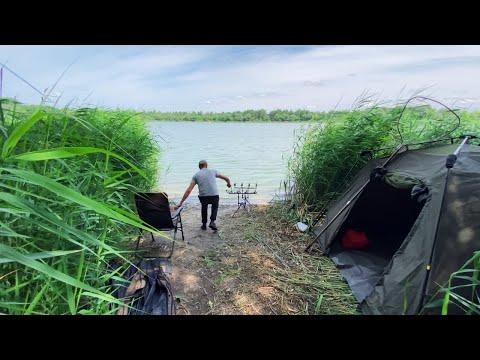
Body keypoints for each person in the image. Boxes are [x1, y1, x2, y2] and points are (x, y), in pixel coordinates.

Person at [174, 160, 231, 230]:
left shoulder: (196, 175)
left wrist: (181, 203)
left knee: (204, 207)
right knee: (215, 206)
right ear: (206, 165)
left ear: (199, 167)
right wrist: (228, 184)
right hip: (214, 196)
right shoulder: (213, 171)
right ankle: (212, 221)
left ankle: (204, 224)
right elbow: (226, 178)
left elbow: (189, 190)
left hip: (203, 197)